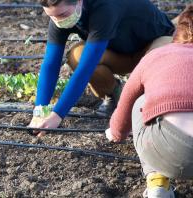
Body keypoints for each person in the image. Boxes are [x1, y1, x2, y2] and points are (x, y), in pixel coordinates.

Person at [28, 0, 175, 136]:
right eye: (52, 16)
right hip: (121, 53)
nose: (58, 21)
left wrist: (58, 115)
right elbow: (50, 64)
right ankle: (113, 93)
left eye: (62, 14)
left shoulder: (104, 7)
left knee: (156, 63)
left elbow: (86, 69)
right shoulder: (59, 14)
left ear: (79, 1)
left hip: (156, 44)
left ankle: (154, 107)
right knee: (76, 56)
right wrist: (40, 110)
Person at [106, 4, 193, 197]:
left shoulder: (157, 55)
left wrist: (117, 132)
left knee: (141, 102)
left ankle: (158, 184)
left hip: (174, 152)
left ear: (177, 35)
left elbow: (126, 102)